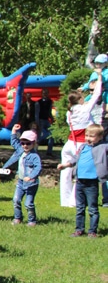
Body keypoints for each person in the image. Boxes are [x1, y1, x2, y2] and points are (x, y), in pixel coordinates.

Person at [57, 124, 107, 237]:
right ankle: (79, 229)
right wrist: (65, 165)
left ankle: (92, 231)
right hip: (79, 182)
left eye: (92, 136)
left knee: (92, 209)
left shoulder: (103, 147)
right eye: (87, 135)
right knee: (80, 208)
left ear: (100, 137)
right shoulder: (83, 147)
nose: (88, 138)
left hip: (91, 183)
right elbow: (76, 159)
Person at [60, 72, 102, 207]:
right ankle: (74, 201)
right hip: (80, 144)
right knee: (79, 172)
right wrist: (100, 78)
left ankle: (65, 200)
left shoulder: (70, 111)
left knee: (66, 173)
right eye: (82, 97)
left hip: (69, 143)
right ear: (79, 100)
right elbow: (96, 95)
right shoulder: (85, 109)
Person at [9, 125, 42, 226]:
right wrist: (13, 131)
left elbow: (38, 168)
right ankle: (17, 218)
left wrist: (31, 176)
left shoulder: (34, 156)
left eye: (28, 143)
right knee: (16, 200)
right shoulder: (20, 150)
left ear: (34, 143)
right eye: (22, 143)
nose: (25, 146)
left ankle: (32, 220)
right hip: (20, 182)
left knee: (28, 203)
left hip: (31, 184)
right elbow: (14, 142)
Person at [35, 88, 54, 157]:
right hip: (40, 120)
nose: (45, 94)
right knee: (38, 136)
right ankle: (35, 151)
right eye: (44, 93)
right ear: (42, 94)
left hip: (47, 120)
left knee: (52, 135)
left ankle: (49, 152)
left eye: (46, 93)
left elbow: (49, 112)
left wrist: (52, 119)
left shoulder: (50, 101)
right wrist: (37, 122)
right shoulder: (38, 102)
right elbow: (37, 113)